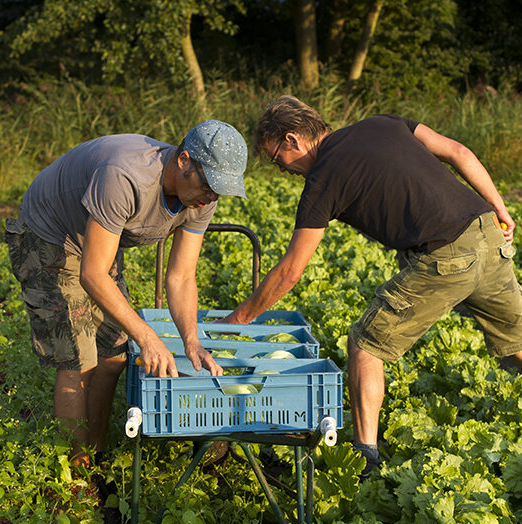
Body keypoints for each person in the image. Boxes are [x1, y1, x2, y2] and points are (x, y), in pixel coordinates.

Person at [221, 95, 522, 480]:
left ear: (293, 139)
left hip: (445, 257)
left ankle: (365, 461)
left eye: (278, 159)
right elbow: (459, 152)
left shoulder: (323, 179)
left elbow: (290, 272)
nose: (284, 169)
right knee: (515, 342)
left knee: (366, 344)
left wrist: (241, 318)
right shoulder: (383, 122)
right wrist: (499, 208)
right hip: (487, 232)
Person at [5, 120, 248, 468]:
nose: (212, 196)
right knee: (78, 360)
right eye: (209, 184)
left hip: (96, 241)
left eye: (220, 190)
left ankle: (96, 452)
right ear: (184, 161)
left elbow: (181, 276)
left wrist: (191, 341)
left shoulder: (201, 199)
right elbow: (92, 273)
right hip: (49, 236)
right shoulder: (126, 176)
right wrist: (148, 337)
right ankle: (75, 473)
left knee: (115, 354)